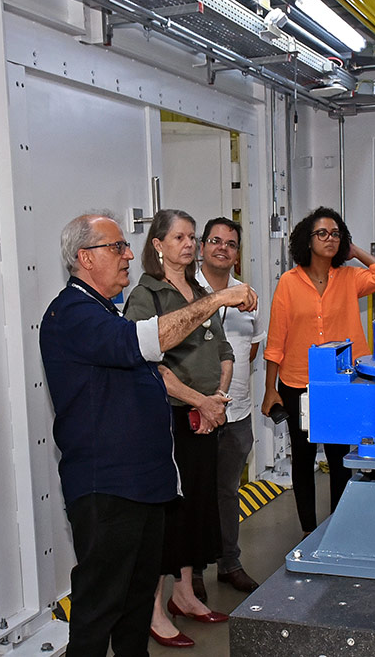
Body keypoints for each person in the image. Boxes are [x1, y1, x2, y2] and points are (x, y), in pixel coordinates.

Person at [39, 212, 256, 657]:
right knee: (100, 606)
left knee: (136, 604)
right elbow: (148, 341)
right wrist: (216, 300)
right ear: (85, 258)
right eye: (115, 247)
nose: (125, 255)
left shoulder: (106, 311)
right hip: (108, 487)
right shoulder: (74, 314)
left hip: (144, 485)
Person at [124, 209, 232, 649]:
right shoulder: (146, 295)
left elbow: (224, 349)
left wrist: (217, 400)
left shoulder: (201, 290)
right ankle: (153, 609)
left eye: (192, 237)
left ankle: (185, 595)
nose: (189, 244)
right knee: (166, 514)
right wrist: (199, 402)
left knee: (196, 509)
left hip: (207, 417)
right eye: (180, 237)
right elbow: (150, 363)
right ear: (158, 244)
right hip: (169, 418)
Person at [261, 207, 375, 537]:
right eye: (322, 233)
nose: (330, 239)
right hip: (296, 382)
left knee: (338, 458)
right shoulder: (288, 284)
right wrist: (269, 387)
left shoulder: (349, 279)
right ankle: (308, 530)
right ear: (307, 240)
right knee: (304, 459)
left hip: (340, 384)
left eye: (336, 234)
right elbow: (276, 339)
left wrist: (354, 252)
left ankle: (337, 527)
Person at [194, 217, 267, 596]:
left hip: (236, 413)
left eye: (231, 243)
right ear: (202, 247)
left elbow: (252, 347)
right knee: (194, 493)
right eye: (215, 241)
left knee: (227, 492)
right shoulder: (188, 291)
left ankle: (229, 563)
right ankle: (190, 575)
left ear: (238, 253)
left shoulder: (248, 294)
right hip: (197, 413)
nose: (223, 247)